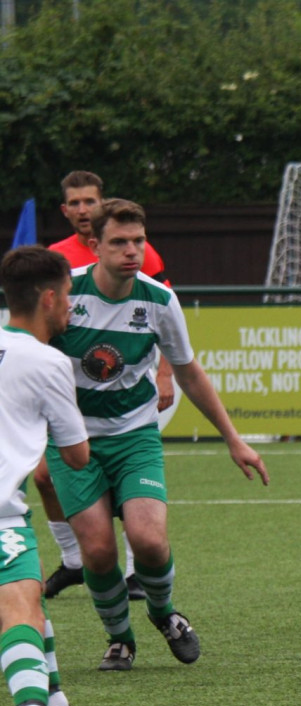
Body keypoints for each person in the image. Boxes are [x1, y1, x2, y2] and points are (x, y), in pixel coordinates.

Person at [49, 199, 269, 671]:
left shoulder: (159, 300)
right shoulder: (64, 295)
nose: (132, 251)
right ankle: (119, 639)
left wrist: (233, 438)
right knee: (99, 552)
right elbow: (31, 362)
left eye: (138, 241)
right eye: (119, 242)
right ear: (95, 245)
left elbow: (189, 371)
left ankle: (164, 613)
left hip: (135, 435)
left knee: (148, 540)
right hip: (73, 442)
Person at [39, 170, 175, 602]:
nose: (84, 209)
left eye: (90, 201)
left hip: (125, 405)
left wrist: (166, 373)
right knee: (43, 476)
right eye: (75, 203)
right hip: (71, 409)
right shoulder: (57, 259)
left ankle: (135, 571)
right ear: (65, 210)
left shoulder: (138, 252)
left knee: (133, 495)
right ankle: (74, 560)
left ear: (102, 203)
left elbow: (164, 317)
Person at [1, 246, 100, 706]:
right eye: (66, 296)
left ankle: (55, 705)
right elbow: (78, 457)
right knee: (19, 604)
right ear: (46, 298)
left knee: (27, 594)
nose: (70, 306)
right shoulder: (49, 361)